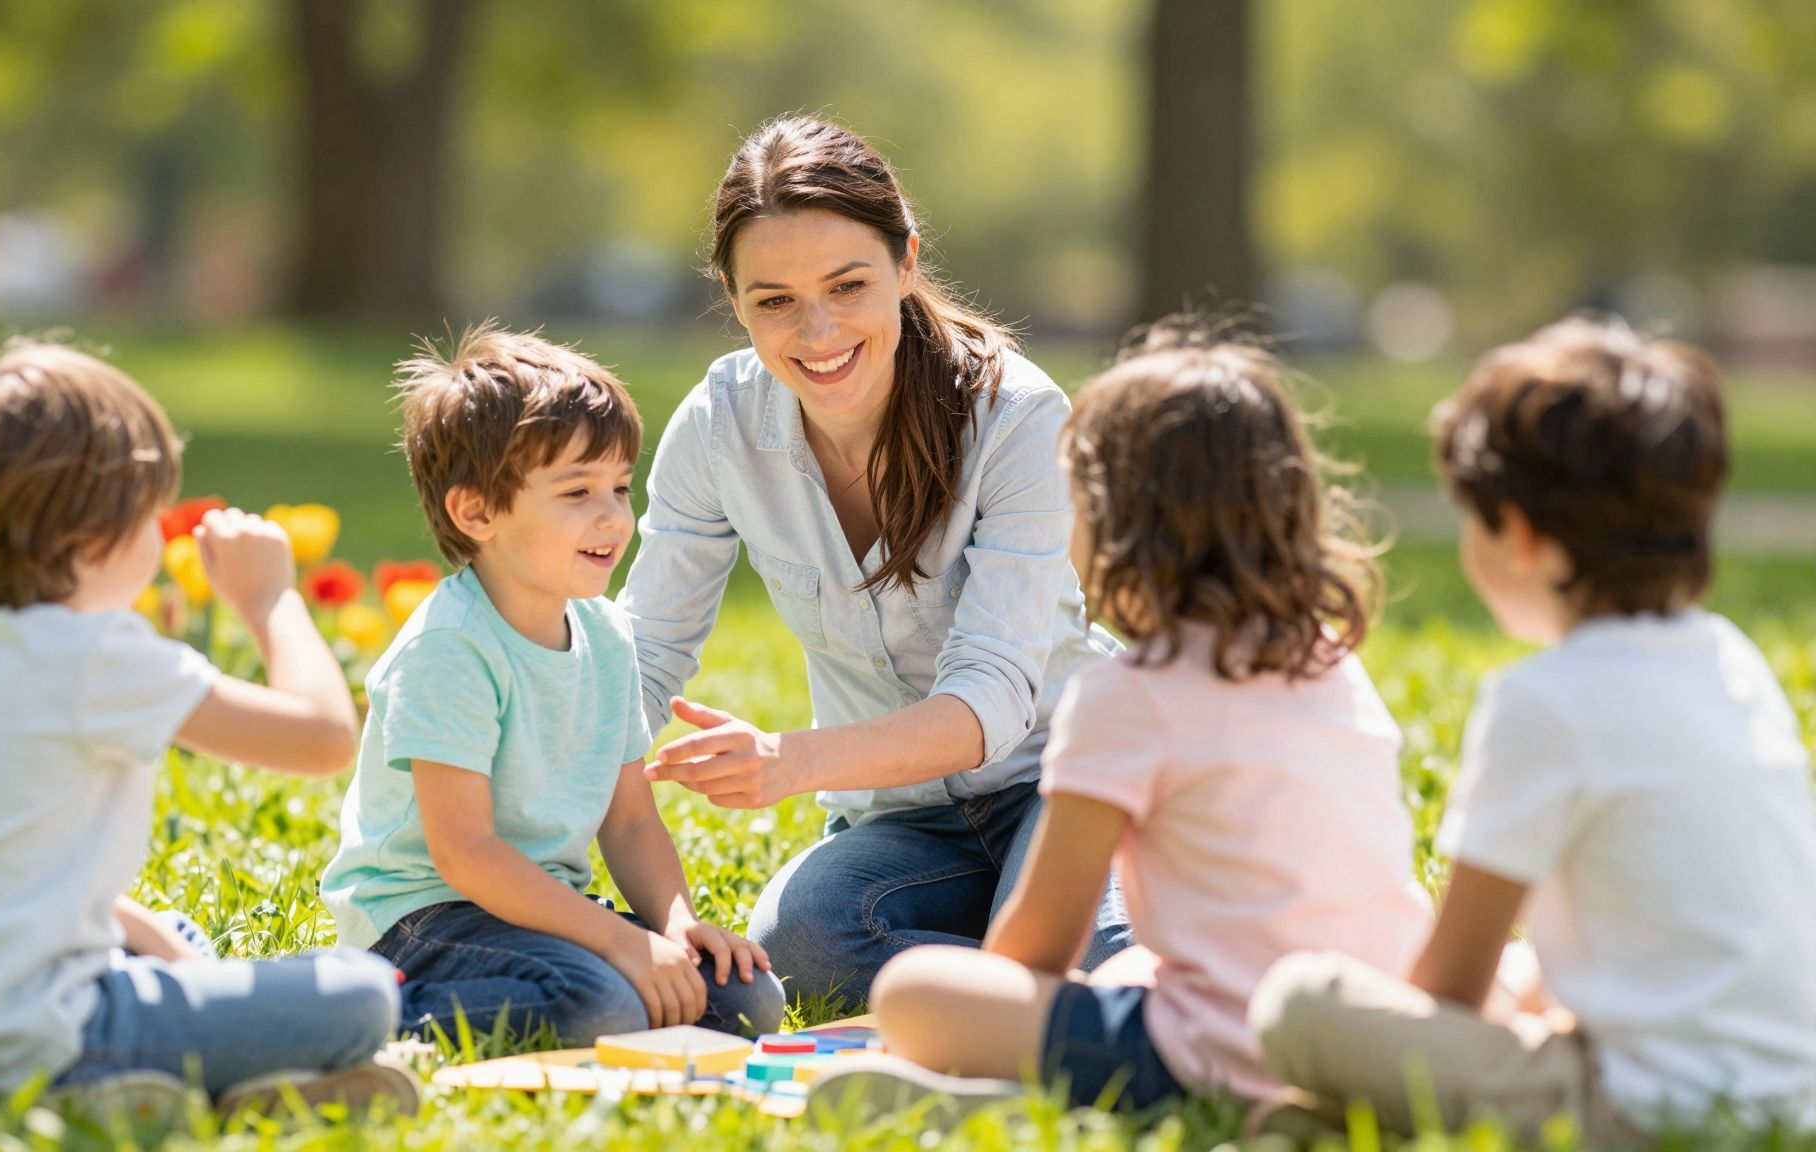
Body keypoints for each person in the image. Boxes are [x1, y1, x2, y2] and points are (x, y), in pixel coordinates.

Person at [809, 320, 1432, 1121]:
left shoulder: (1128, 691)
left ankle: (1009, 1096)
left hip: (1206, 1047)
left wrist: (1006, 1022)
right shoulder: (1327, 658)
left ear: (1109, 519)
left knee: (917, 993)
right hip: (1372, 1025)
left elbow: (1035, 946)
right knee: (1124, 974)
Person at [0, 339, 414, 1116]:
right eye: (149, 514)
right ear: (89, 537)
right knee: (361, 996)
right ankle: (92, 1088)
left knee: (175, 934)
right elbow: (325, 739)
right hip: (24, 1035)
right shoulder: (91, 652)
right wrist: (269, 600)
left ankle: (174, 1078)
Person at [1251, 317, 1816, 1144]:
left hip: (1647, 1110)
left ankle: (1319, 1123)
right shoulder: (1730, 658)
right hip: (1788, 1090)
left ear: (1521, 537)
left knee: (1299, 1005)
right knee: (1512, 982)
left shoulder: (1547, 699)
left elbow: (1449, 985)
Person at [618, 115, 1130, 1007]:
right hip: (906, 826)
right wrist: (513, 766)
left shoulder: (1016, 416)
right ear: (734, 303)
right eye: (773, 300)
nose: (817, 333)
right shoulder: (719, 424)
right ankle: (1025, 975)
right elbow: (644, 652)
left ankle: (1062, 958)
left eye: (848, 285)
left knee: (1102, 956)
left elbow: (992, 700)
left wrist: (790, 759)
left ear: (905, 264)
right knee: (802, 942)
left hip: (1071, 779)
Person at [320, 325, 784, 1043]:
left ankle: (603, 979)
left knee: (745, 998)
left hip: (542, 912)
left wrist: (675, 926)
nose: (612, 516)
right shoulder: (451, 649)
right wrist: (620, 943)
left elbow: (629, 819)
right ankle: (363, 1016)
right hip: (424, 923)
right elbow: (465, 854)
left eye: (621, 487)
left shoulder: (607, 635)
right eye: (577, 491)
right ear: (476, 512)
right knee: (601, 1007)